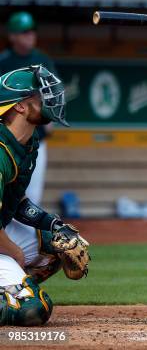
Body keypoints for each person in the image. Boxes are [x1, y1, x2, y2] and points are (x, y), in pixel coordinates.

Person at [0, 65, 89, 326]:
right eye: (40, 95)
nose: (51, 98)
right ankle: (13, 293)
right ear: (20, 106)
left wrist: (52, 223)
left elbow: (15, 202)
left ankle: (10, 285)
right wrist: (14, 251)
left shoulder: (28, 142)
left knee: (59, 245)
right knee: (34, 311)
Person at [0, 11, 56, 206]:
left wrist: (50, 119)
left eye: (32, 31)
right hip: (6, 139)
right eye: (24, 31)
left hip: (36, 139)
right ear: (12, 36)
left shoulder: (43, 60)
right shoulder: (3, 61)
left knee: (32, 199)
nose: (30, 35)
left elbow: (53, 92)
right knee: (5, 196)